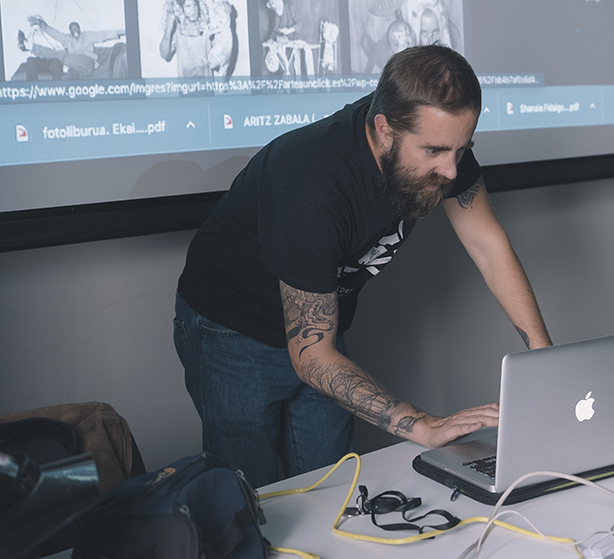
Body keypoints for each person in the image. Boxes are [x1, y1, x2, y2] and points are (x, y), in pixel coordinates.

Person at [173, 45, 551, 487]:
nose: (451, 171)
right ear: (384, 130)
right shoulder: (311, 190)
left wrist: (544, 358)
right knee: (245, 499)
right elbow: (311, 357)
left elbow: (487, 244)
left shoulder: (445, 151)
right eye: (433, 151)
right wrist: (422, 426)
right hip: (230, 332)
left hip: (320, 331)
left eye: (462, 149)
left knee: (330, 487)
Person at [159, 0, 236, 78]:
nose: (193, 9)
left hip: (206, 88)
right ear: (181, 9)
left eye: (194, 5)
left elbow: (222, 49)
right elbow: (165, 55)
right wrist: (168, 29)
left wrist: (225, 13)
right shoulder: (178, 31)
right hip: (185, 88)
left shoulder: (206, 27)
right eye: (188, 6)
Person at [18, 15, 124, 77]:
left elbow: (104, 34)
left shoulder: (87, 36)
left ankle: (29, 47)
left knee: (60, 55)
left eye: (76, 28)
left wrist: (123, 31)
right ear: (70, 31)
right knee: (64, 65)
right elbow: (55, 33)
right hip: (74, 68)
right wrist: (42, 25)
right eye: (72, 29)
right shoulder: (67, 39)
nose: (75, 30)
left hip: (87, 63)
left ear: (79, 28)